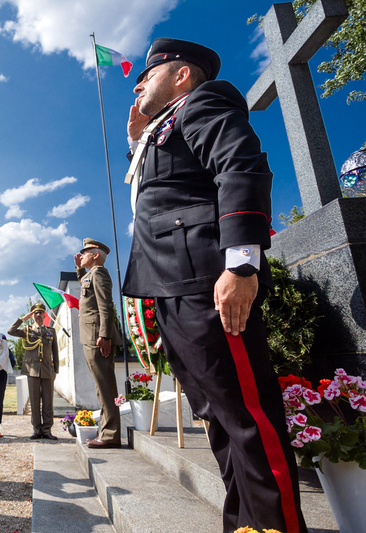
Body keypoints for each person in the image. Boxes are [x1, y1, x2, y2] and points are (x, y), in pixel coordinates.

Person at [122, 38, 307, 533]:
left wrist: (241, 264)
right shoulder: (162, 127)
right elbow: (168, 190)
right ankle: (245, 525)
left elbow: (239, 166)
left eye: (150, 74)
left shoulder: (204, 100)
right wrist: (138, 139)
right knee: (220, 422)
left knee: (248, 419)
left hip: (208, 279)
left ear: (181, 75)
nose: (139, 83)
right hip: (173, 285)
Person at [74, 239, 123, 449]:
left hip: (97, 337)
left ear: (95, 255)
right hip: (92, 336)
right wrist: (78, 270)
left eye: (84, 252)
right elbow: (87, 291)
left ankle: (111, 435)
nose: (80, 255)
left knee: (105, 387)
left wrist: (105, 335)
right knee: (101, 386)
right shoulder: (90, 275)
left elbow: (106, 306)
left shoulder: (100, 273)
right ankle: (107, 431)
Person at [8, 303, 58, 439]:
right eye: (35, 312)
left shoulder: (50, 331)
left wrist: (56, 370)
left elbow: (55, 352)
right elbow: (10, 331)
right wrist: (22, 319)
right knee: (34, 401)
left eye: (40, 312)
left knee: (48, 401)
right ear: (32, 315)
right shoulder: (27, 330)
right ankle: (37, 429)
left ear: (44, 315)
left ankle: (47, 430)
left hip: (47, 369)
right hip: (32, 370)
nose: (38, 315)